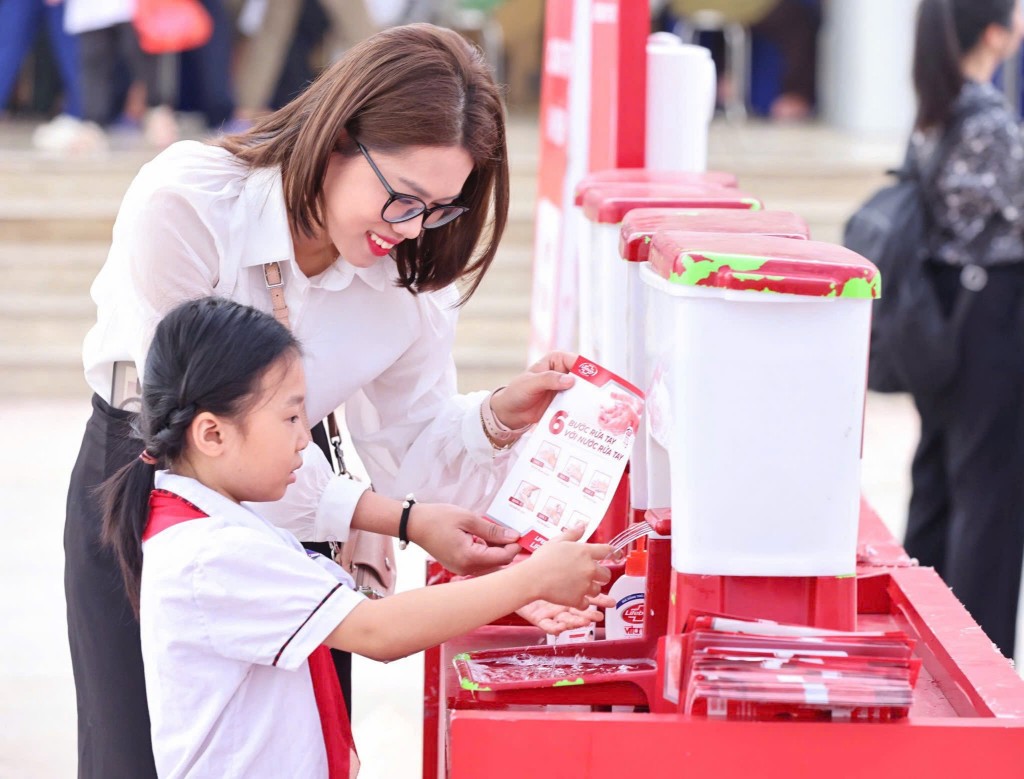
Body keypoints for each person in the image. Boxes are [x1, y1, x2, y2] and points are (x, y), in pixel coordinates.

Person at [66, 23, 601, 777]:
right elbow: (200, 443)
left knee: (301, 741)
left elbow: (409, 445)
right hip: (150, 473)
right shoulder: (188, 201)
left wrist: (495, 416)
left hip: (297, 472)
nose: (409, 228)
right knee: (135, 753)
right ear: (339, 136)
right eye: (403, 197)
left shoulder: (407, 279)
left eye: (441, 208)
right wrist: (393, 517)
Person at [98, 295, 613, 778]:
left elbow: (350, 607)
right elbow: (374, 632)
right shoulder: (211, 553)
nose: (306, 437)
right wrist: (526, 581)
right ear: (213, 434)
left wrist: (513, 584)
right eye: (291, 416)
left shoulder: (219, 525)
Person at [903, 0, 1024, 660]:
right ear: (994, 31)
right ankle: (981, 657)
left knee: (941, 485)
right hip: (991, 320)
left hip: (941, 317)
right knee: (990, 497)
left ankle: (927, 636)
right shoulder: (990, 122)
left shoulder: (934, 110)